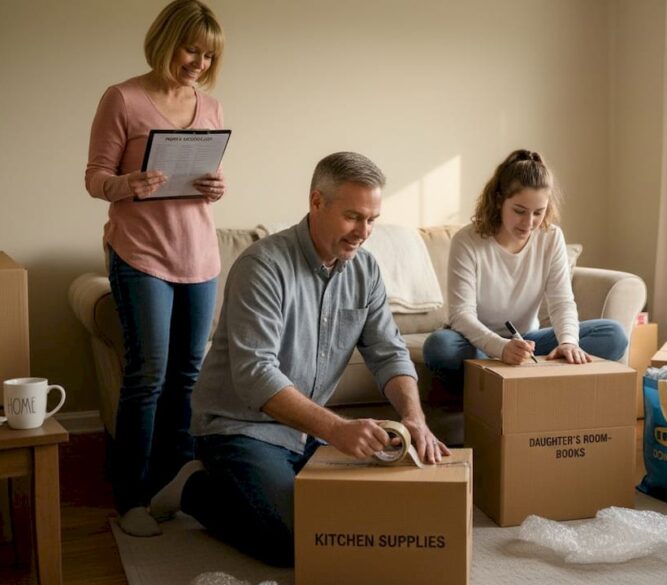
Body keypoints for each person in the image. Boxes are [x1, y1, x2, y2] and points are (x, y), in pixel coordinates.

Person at [147, 152, 449, 567]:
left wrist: (414, 417)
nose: (363, 232)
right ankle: (192, 488)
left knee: (359, 523)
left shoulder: (366, 271)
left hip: (307, 433)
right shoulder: (263, 267)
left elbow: (388, 353)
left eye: (372, 219)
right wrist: (338, 429)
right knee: (295, 542)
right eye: (353, 217)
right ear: (316, 202)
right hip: (241, 428)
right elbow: (255, 375)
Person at [84, 0, 226, 537]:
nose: (198, 62)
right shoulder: (122, 98)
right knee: (147, 377)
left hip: (200, 256)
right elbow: (96, 176)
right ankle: (132, 498)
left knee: (187, 378)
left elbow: (202, 182)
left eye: (208, 55)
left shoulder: (209, 108)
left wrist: (216, 187)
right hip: (141, 254)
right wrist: (127, 184)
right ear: (167, 40)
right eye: (192, 48)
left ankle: (172, 487)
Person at [422, 149, 629, 393]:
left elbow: (561, 302)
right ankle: (500, 389)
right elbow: (461, 315)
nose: (528, 223)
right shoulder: (467, 241)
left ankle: (530, 385)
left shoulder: (551, 238)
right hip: (476, 344)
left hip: (528, 342)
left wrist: (568, 342)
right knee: (440, 347)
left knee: (613, 334)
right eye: (519, 211)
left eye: (538, 213)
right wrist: (500, 348)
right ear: (499, 201)